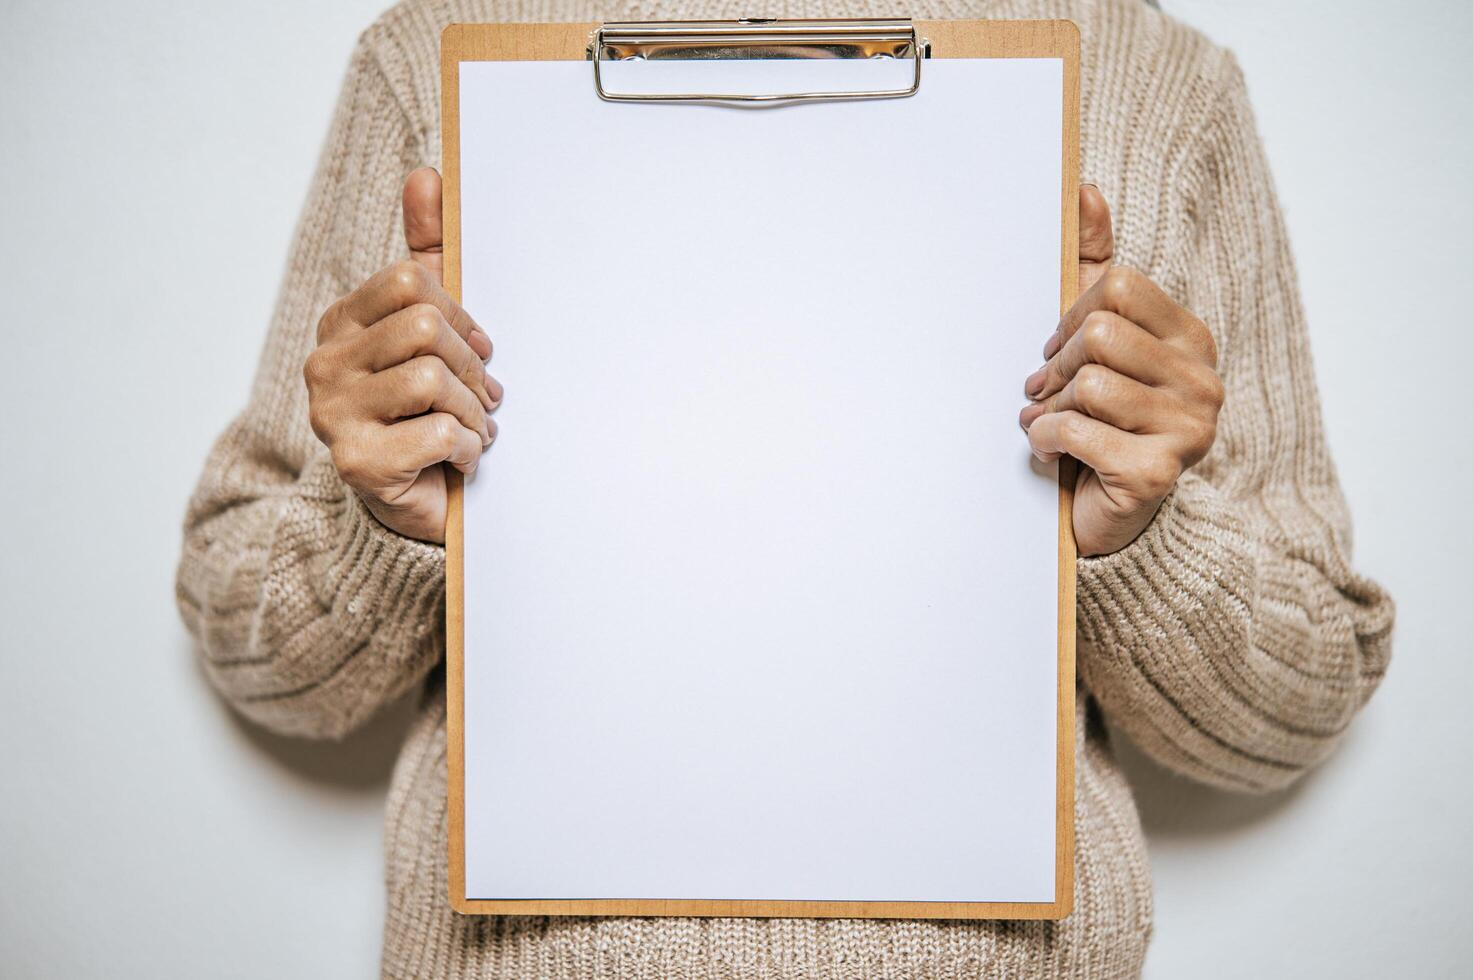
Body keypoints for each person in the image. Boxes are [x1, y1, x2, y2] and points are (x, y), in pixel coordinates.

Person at [176, 0, 1395, 976]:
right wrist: (379, 525)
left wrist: (1140, 544)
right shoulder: (431, 54)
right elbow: (250, 642)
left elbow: (1300, 699)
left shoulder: (1158, 82)